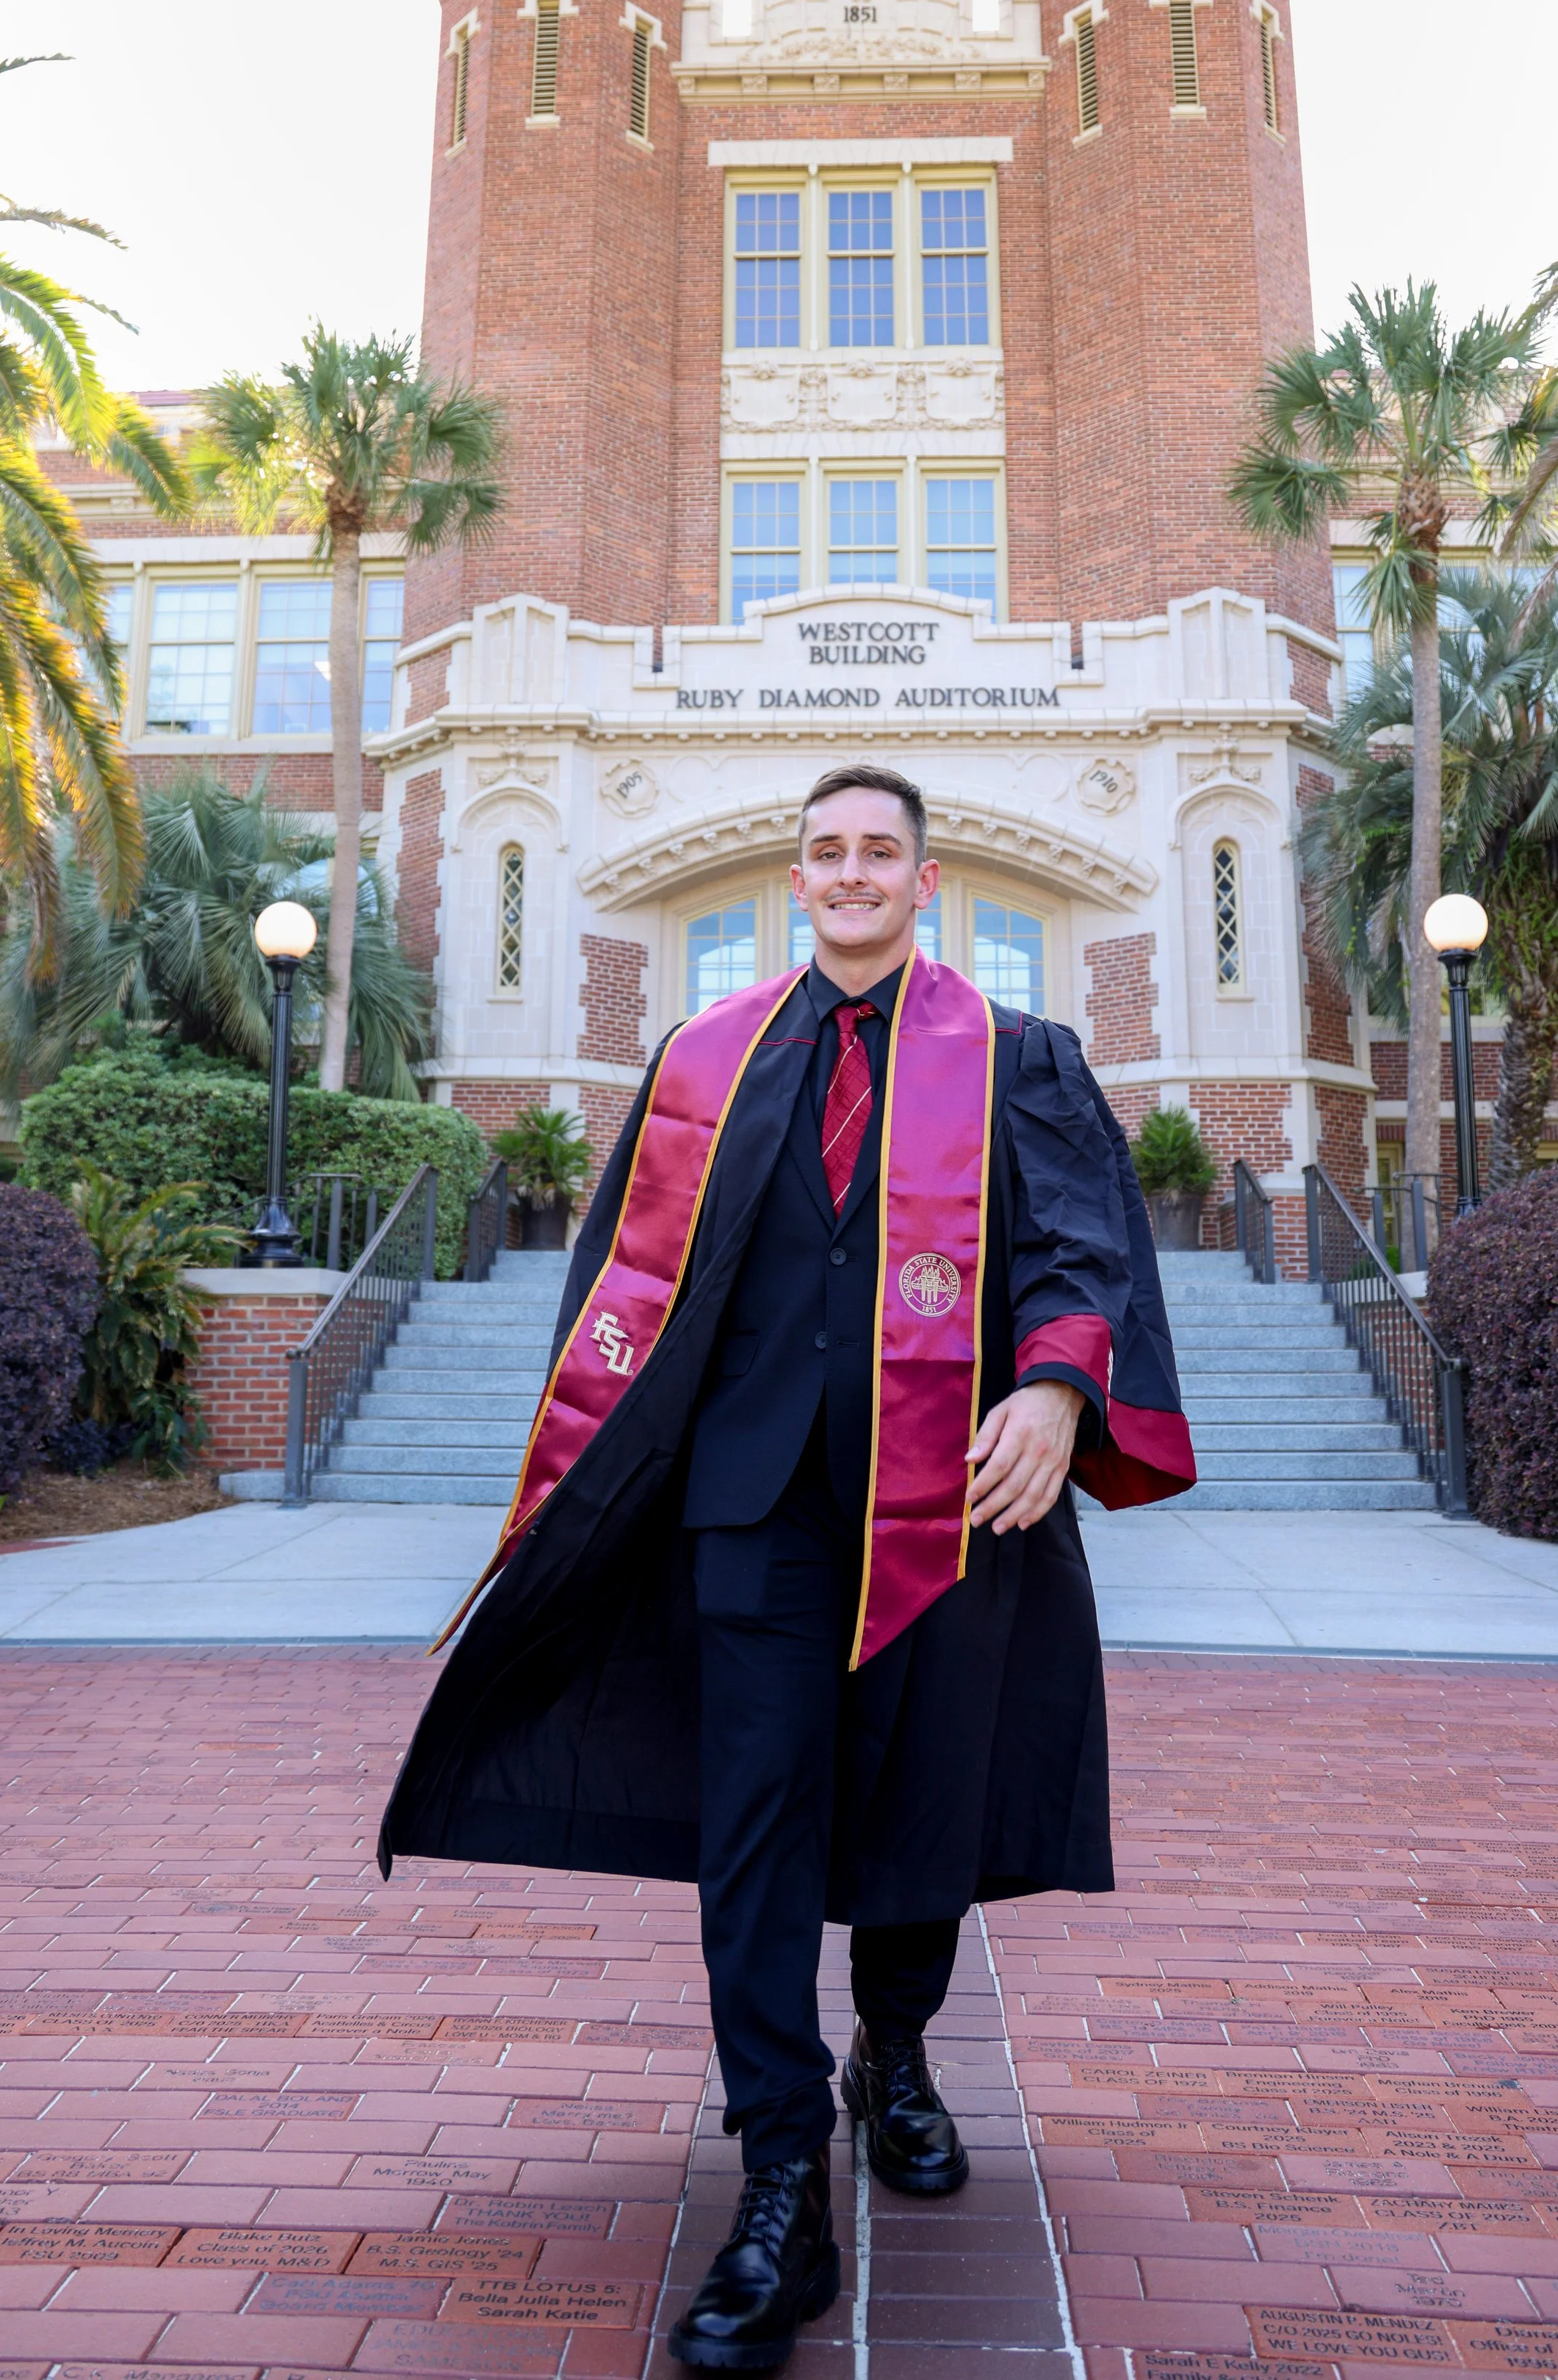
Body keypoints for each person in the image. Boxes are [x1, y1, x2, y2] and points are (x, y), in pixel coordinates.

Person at [381, 764, 1193, 2370]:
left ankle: (891, 2050)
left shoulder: (1019, 1056)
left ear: (924, 876)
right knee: (755, 1818)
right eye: (824, 851)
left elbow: (1081, 1247)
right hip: (749, 1508)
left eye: (876, 851)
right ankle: (775, 2170)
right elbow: (622, 1278)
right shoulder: (704, 1058)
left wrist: (1051, 1380)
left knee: (920, 1795)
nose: (848, 872)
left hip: (949, 1494)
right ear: (795, 877)